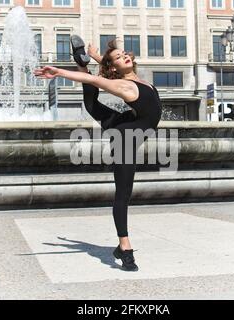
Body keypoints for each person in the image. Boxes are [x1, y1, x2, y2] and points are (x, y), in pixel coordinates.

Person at [34, 35, 162, 271]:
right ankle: (125, 247)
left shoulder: (139, 80)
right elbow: (92, 79)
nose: (124, 55)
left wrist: (96, 57)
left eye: (123, 54)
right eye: (118, 57)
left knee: (94, 106)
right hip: (125, 139)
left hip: (126, 123)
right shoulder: (124, 85)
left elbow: (106, 67)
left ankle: (81, 59)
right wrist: (61, 73)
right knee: (123, 194)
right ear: (115, 67)